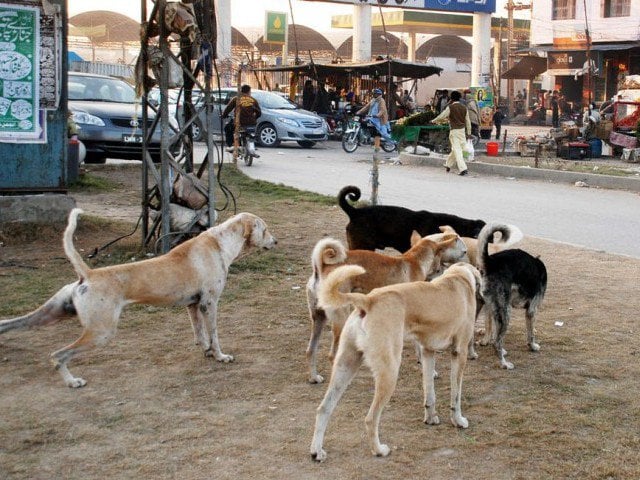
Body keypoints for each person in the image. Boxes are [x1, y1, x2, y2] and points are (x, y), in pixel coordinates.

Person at [432, 90, 471, 176]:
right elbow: (468, 121)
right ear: (459, 98)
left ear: (451, 99)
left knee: (457, 150)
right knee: (456, 149)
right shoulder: (464, 108)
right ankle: (448, 165)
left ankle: (463, 169)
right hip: (462, 131)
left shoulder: (450, 107)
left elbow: (442, 116)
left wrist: (433, 120)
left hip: (454, 131)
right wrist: (469, 132)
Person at [222, 84, 261, 157]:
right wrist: (254, 118)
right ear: (249, 91)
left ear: (241, 91)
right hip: (251, 123)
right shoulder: (253, 100)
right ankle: (250, 147)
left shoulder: (236, 99)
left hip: (239, 123)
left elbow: (228, 109)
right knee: (252, 134)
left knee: (228, 128)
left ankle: (232, 146)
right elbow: (259, 113)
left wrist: (224, 115)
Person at [356, 88, 393, 152]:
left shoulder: (381, 101)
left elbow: (382, 110)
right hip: (372, 119)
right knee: (366, 125)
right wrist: (359, 112)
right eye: (374, 94)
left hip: (380, 120)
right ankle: (372, 141)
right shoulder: (373, 100)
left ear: (379, 94)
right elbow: (366, 107)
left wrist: (377, 115)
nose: (374, 95)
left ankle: (395, 142)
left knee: (384, 134)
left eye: (375, 94)